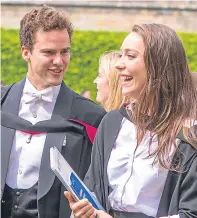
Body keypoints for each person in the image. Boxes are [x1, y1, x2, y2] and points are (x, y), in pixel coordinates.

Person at [65, 24, 197, 218]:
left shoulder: (187, 135)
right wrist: (86, 210)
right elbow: (94, 186)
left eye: (131, 56)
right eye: (121, 55)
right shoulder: (111, 123)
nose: (119, 64)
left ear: (158, 66)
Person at [1, 5, 106, 218]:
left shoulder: (89, 117)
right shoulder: (2, 103)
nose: (59, 61)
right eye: (49, 52)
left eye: (64, 52)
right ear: (26, 52)